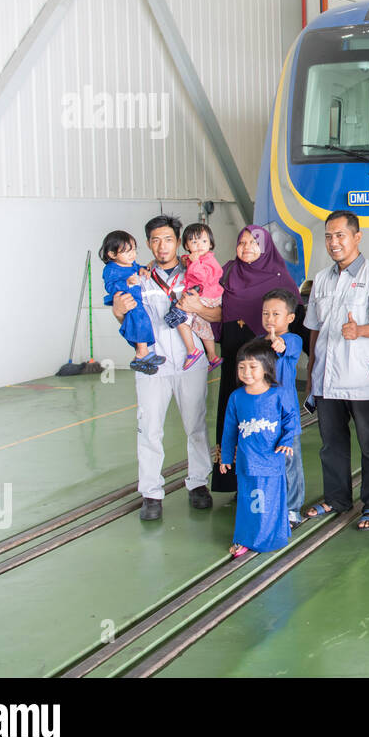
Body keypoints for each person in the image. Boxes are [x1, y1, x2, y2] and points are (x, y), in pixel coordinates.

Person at [108, 215, 214, 520]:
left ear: (178, 241)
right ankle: (152, 493)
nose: (161, 245)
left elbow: (213, 308)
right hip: (152, 365)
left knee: (195, 424)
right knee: (149, 428)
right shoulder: (137, 276)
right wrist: (117, 311)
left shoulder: (194, 272)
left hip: (189, 361)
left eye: (168, 239)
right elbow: (124, 314)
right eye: (155, 240)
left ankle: (198, 484)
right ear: (147, 244)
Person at [302, 211, 369, 530]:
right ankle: (337, 497)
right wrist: (312, 370)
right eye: (328, 236)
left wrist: (360, 332)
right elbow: (314, 328)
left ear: (357, 237)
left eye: (340, 235)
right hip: (326, 378)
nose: (333, 242)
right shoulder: (321, 279)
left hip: (360, 377)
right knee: (331, 442)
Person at [206, 225, 303, 492]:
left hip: (264, 360)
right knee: (235, 416)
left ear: (266, 246)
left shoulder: (281, 277)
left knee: (263, 421)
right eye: (242, 242)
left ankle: (270, 486)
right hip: (234, 359)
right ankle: (236, 481)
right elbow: (208, 296)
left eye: (254, 242)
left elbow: (295, 326)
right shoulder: (227, 272)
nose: (247, 247)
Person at [219, 339, 298, 556]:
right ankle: (246, 538)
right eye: (242, 367)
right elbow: (229, 430)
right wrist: (226, 457)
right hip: (246, 462)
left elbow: (291, 419)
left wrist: (285, 441)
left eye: (253, 367)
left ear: (266, 368)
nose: (247, 372)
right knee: (249, 503)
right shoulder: (236, 398)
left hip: (272, 461)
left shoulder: (277, 394)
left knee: (271, 500)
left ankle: (274, 535)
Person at [262, 288, 305, 526]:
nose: (270, 319)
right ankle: (270, 504)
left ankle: (292, 509)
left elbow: (284, 347)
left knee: (290, 462)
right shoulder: (259, 343)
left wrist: (278, 344)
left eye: (276, 314)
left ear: (290, 318)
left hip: (286, 414)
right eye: (266, 313)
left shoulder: (292, 340)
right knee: (267, 459)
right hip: (262, 413)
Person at [99, 230, 164, 374]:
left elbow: (138, 267)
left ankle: (144, 354)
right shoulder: (111, 269)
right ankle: (141, 353)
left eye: (134, 250)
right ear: (112, 254)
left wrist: (143, 270)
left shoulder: (131, 263)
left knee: (144, 322)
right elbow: (110, 286)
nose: (132, 254)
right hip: (126, 299)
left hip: (136, 298)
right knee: (139, 321)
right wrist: (126, 283)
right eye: (127, 251)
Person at [178, 222, 223, 370]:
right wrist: (189, 260)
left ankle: (192, 351)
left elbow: (203, 277)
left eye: (204, 241)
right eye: (194, 241)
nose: (199, 245)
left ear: (210, 244)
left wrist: (194, 262)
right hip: (204, 296)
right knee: (203, 326)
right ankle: (212, 357)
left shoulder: (209, 261)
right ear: (186, 245)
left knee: (180, 318)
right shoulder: (194, 258)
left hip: (208, 296)